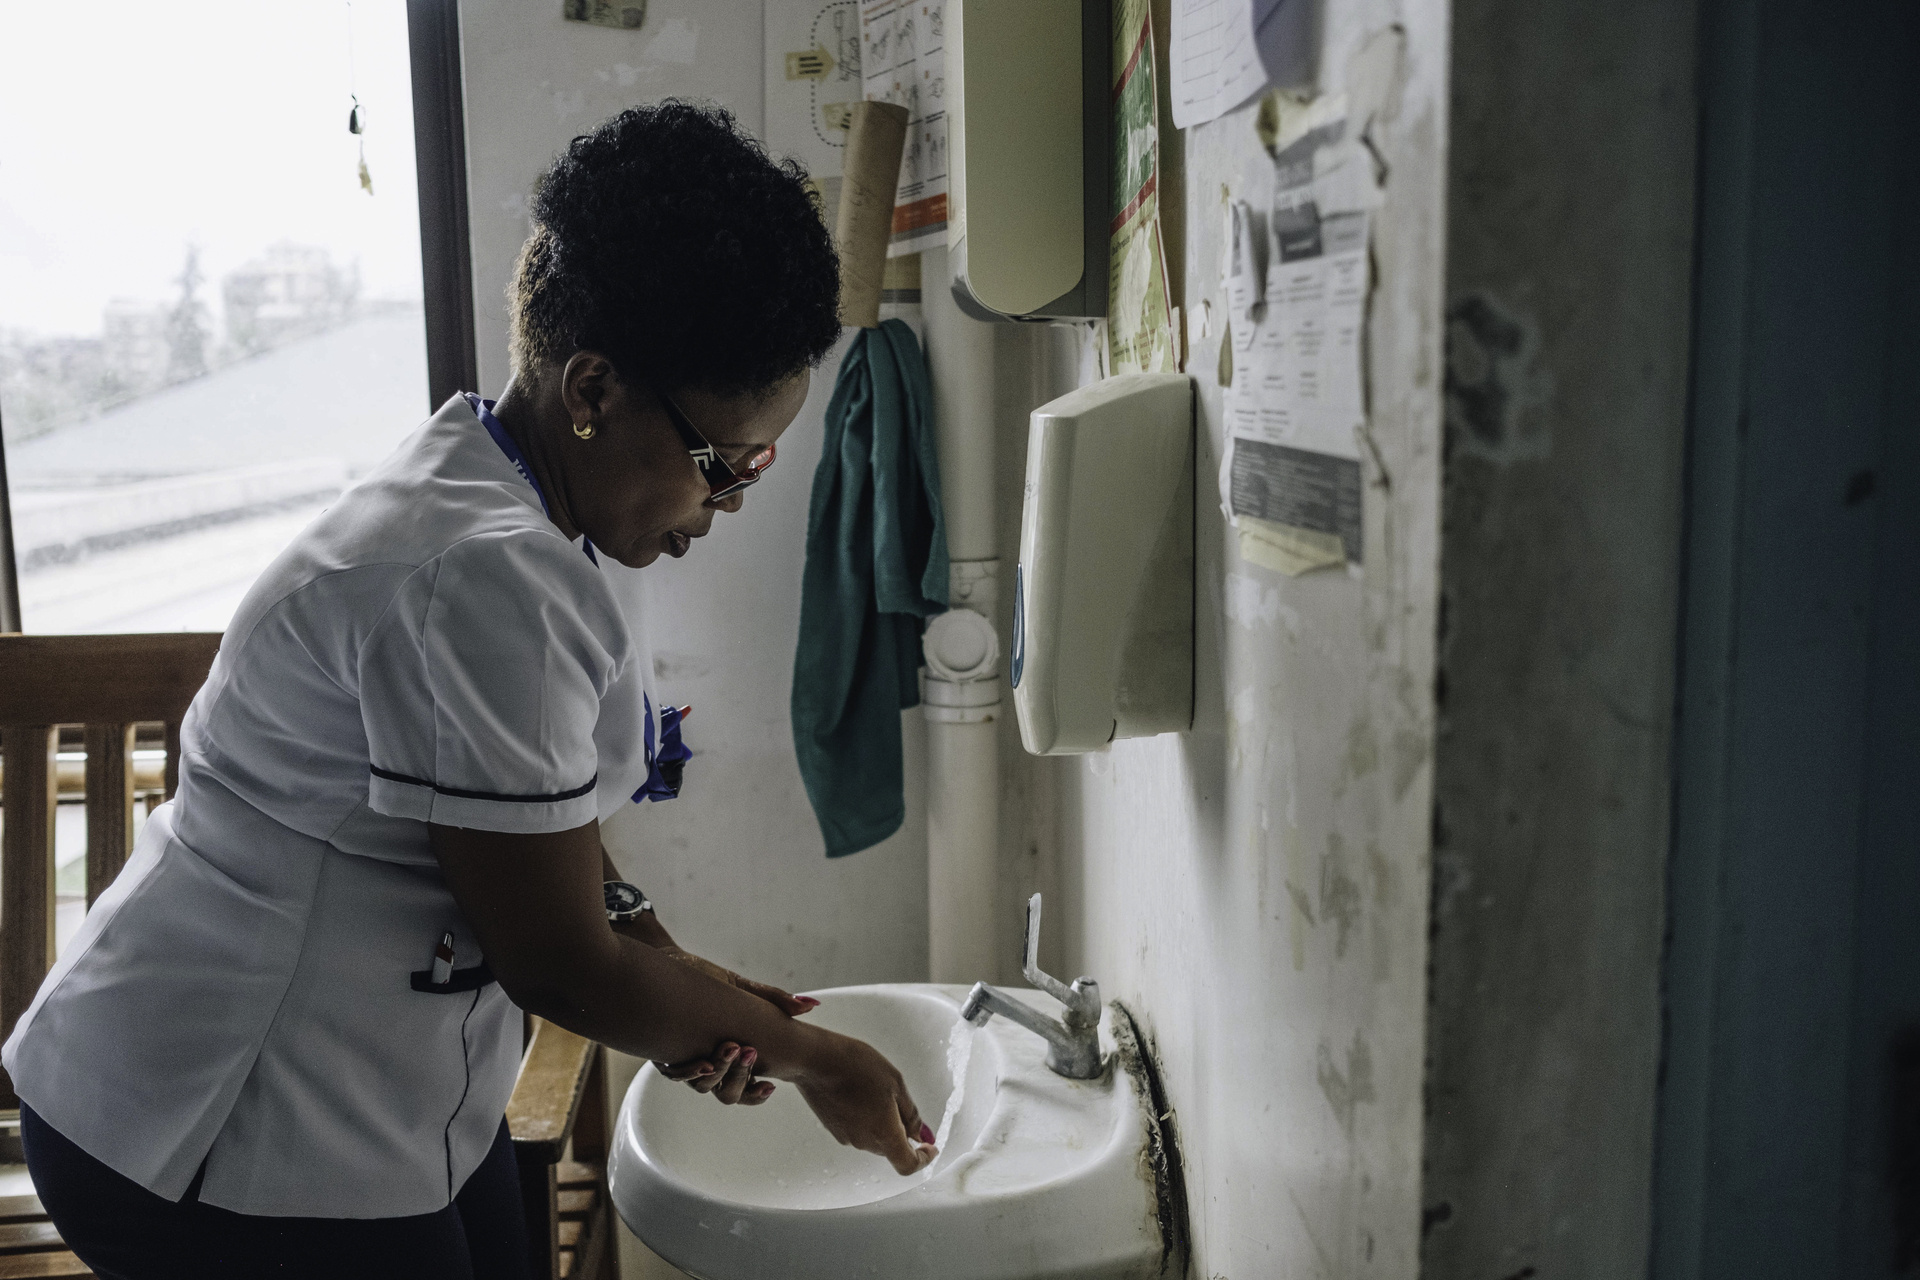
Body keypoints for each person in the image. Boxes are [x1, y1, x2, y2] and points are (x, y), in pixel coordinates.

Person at [2, 101, 935, 1280]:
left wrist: (683, 970)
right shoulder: (482, 572)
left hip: (351, 1079)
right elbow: (558, 963)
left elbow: (539, 823)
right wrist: (822, 1060)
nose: (729, 508)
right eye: (724, 466)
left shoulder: (510, 491)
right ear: (591, 385)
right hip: (201, 1114)